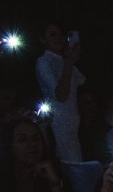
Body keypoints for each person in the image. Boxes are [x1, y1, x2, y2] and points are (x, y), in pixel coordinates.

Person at [35, 24, 87, 162]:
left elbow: (83, 85)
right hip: (58, 125)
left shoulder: (65, 60)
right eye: (53, 34)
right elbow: (61, 95)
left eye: (61, 34)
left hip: (75, 124)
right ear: (43, 40)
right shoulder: (43, 61)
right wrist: (69, 62)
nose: (59, 38)